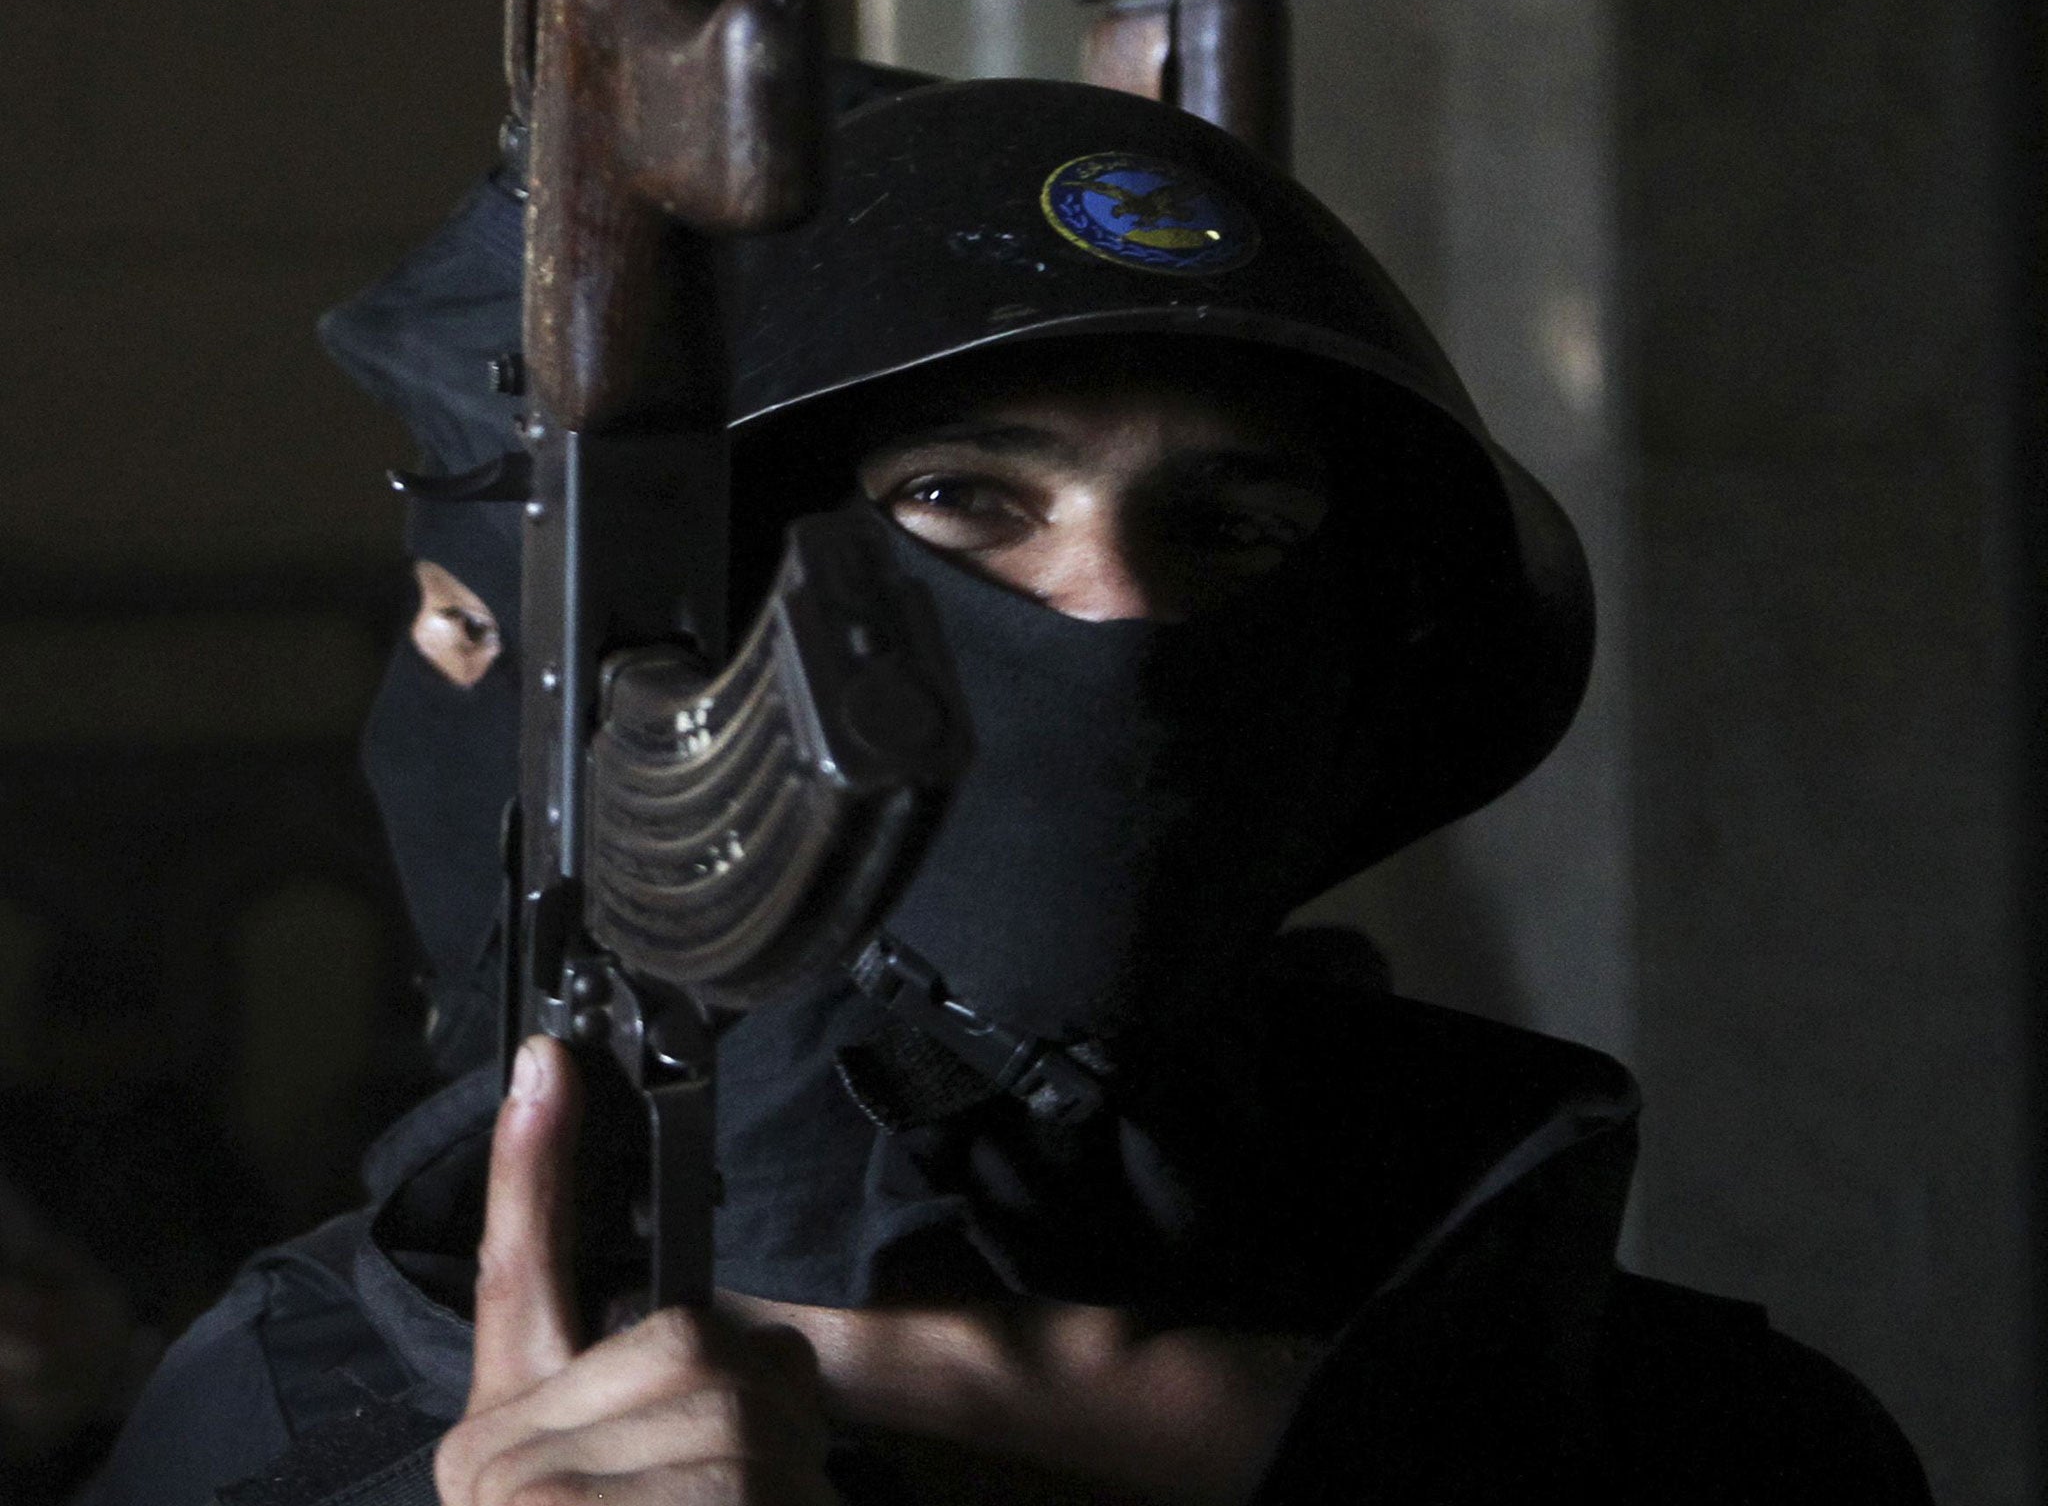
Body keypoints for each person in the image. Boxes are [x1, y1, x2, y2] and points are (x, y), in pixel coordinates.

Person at [74, 74, 1930, 1506]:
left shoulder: (1697, 1426)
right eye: (967, 502)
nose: (1120, 614)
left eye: (1228, 526)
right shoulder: (322, 1416)